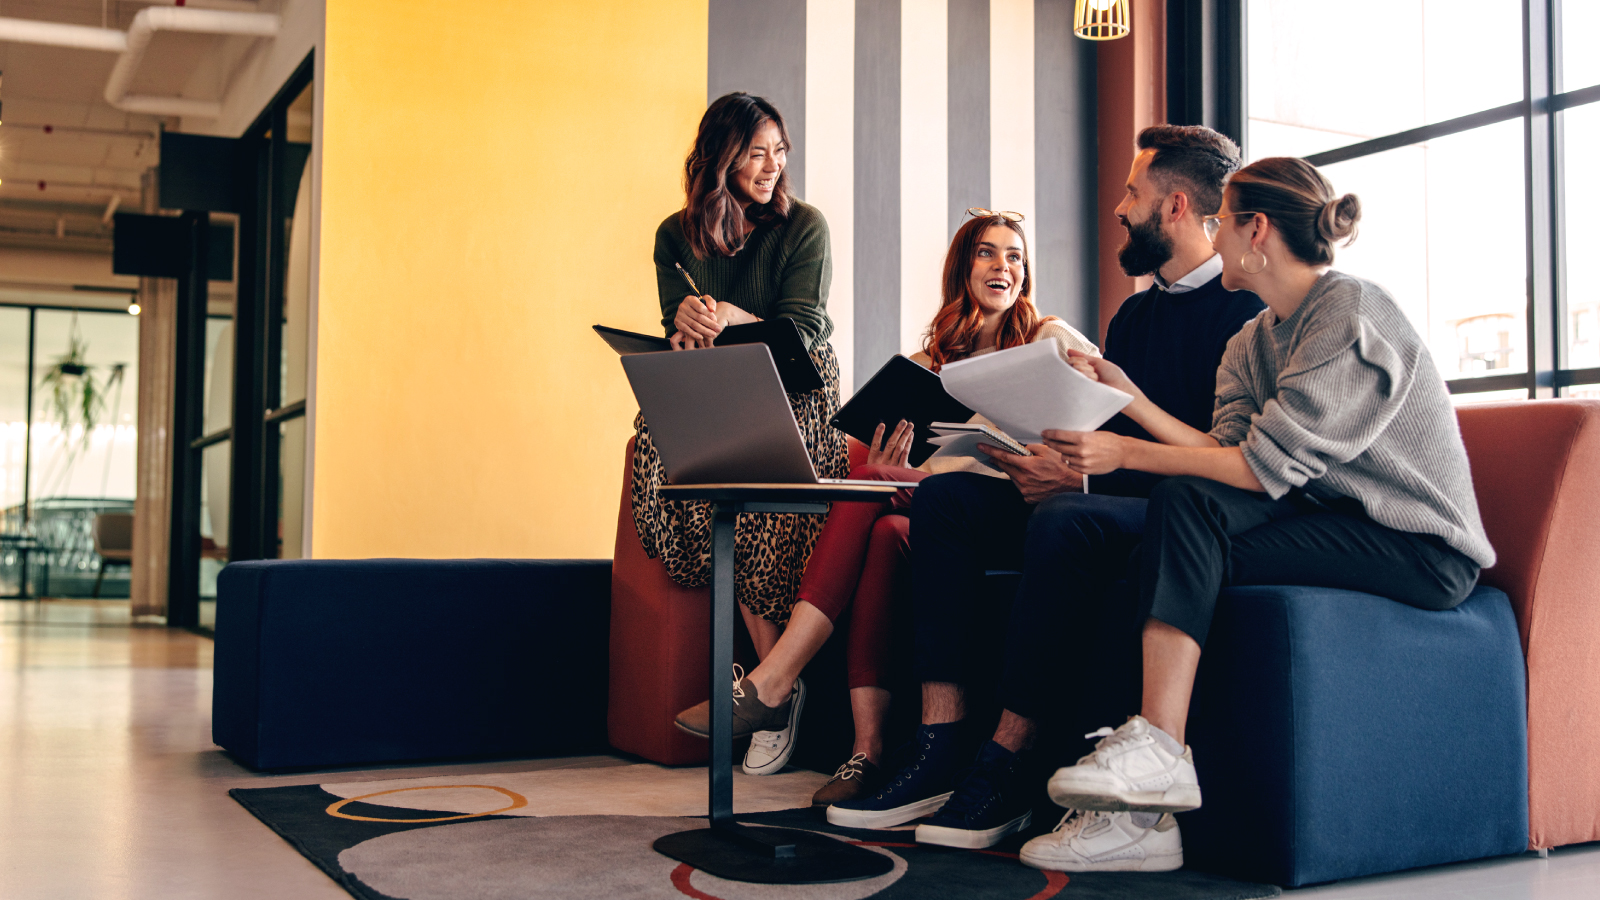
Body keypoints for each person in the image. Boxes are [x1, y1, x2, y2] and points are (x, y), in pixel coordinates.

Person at [1025, 156, 1491, 872]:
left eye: (1223, 222)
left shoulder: (1350, 315)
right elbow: (1224, 451)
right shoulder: (1253, 339)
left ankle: (1157, 754)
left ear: (1256, 230)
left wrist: (1124, 451)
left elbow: (1255, 469)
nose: (1211, 237)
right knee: (1167, 533)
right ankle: (1143, 818)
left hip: (1417, 545)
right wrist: (1130, 401)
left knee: (1182, 511)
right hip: (1330, 520)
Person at [827, 125, 1266, 857]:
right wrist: (1061, 467)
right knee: (945, 505)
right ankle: (940, 744)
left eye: (1133, 192)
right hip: (1099, 493)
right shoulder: (1132, 316)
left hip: (1179, 514)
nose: (1120, 208)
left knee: (1065, 522)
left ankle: (1009, 761)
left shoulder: (1243, 316)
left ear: (1177, 206)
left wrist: (1083, 479)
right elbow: (1095, 429)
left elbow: (1224, 461)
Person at [673, 210, 1100, 788]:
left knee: (881, 498)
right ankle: (865, 751)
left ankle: (774, 682)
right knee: (875, 508)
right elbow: (893, 466)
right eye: (987, 253)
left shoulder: (1049, 338)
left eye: (1015, 255)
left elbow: (1099, 421)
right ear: (962, 269)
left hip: (1021, 507)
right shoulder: (928, 366)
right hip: (934, 512)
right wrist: (889, 472)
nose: (1003, 265)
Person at [631, 93, 847, 750]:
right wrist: (686, 327)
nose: (772, 165)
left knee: (745, 473)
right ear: (721, 155)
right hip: (719, 380)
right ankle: (774, 687)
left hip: (795, 384)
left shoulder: (804, 224)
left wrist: (729, 315)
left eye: (780, 151)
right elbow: (677, 320)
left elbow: (807, 330)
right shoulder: (676, 233)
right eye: (757, 152)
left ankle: (768, 686)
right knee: (670, 453)